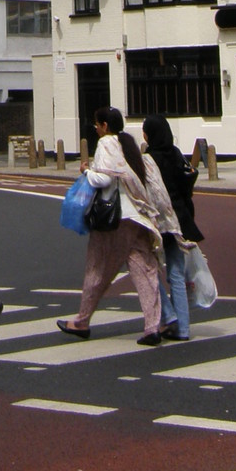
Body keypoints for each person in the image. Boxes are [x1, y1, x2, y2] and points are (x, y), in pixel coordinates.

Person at [58, 106, 165, 345]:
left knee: (97, 269)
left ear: (105, 126)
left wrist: (87, 171)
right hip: (137, 218)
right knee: (145, 271)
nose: (95, 128)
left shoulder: (106, 144)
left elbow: (104, 178)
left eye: (97, 124)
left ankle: (82, 321)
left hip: (114, 219)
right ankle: (152, 327)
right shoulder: (129, 145)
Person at [143, 114, 204, 341]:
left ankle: (168, 315)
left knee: (147, 269)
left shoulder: (148, 159)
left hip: (157, 221)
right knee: (176, 274)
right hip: (179, 219)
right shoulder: (176, 154)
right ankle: (184, 329)